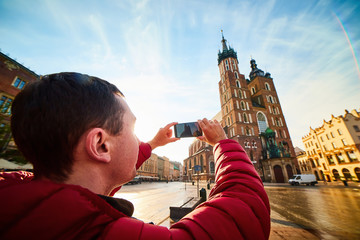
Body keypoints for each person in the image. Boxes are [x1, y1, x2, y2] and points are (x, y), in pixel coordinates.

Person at [0, 72, 270, 239]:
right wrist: (223, 143)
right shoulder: (102, 232)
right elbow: (243, 209)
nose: (137, 138)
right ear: (101, 145)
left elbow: (107, 166)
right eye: (132, 129)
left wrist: (152, 143)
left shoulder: (20, 200)